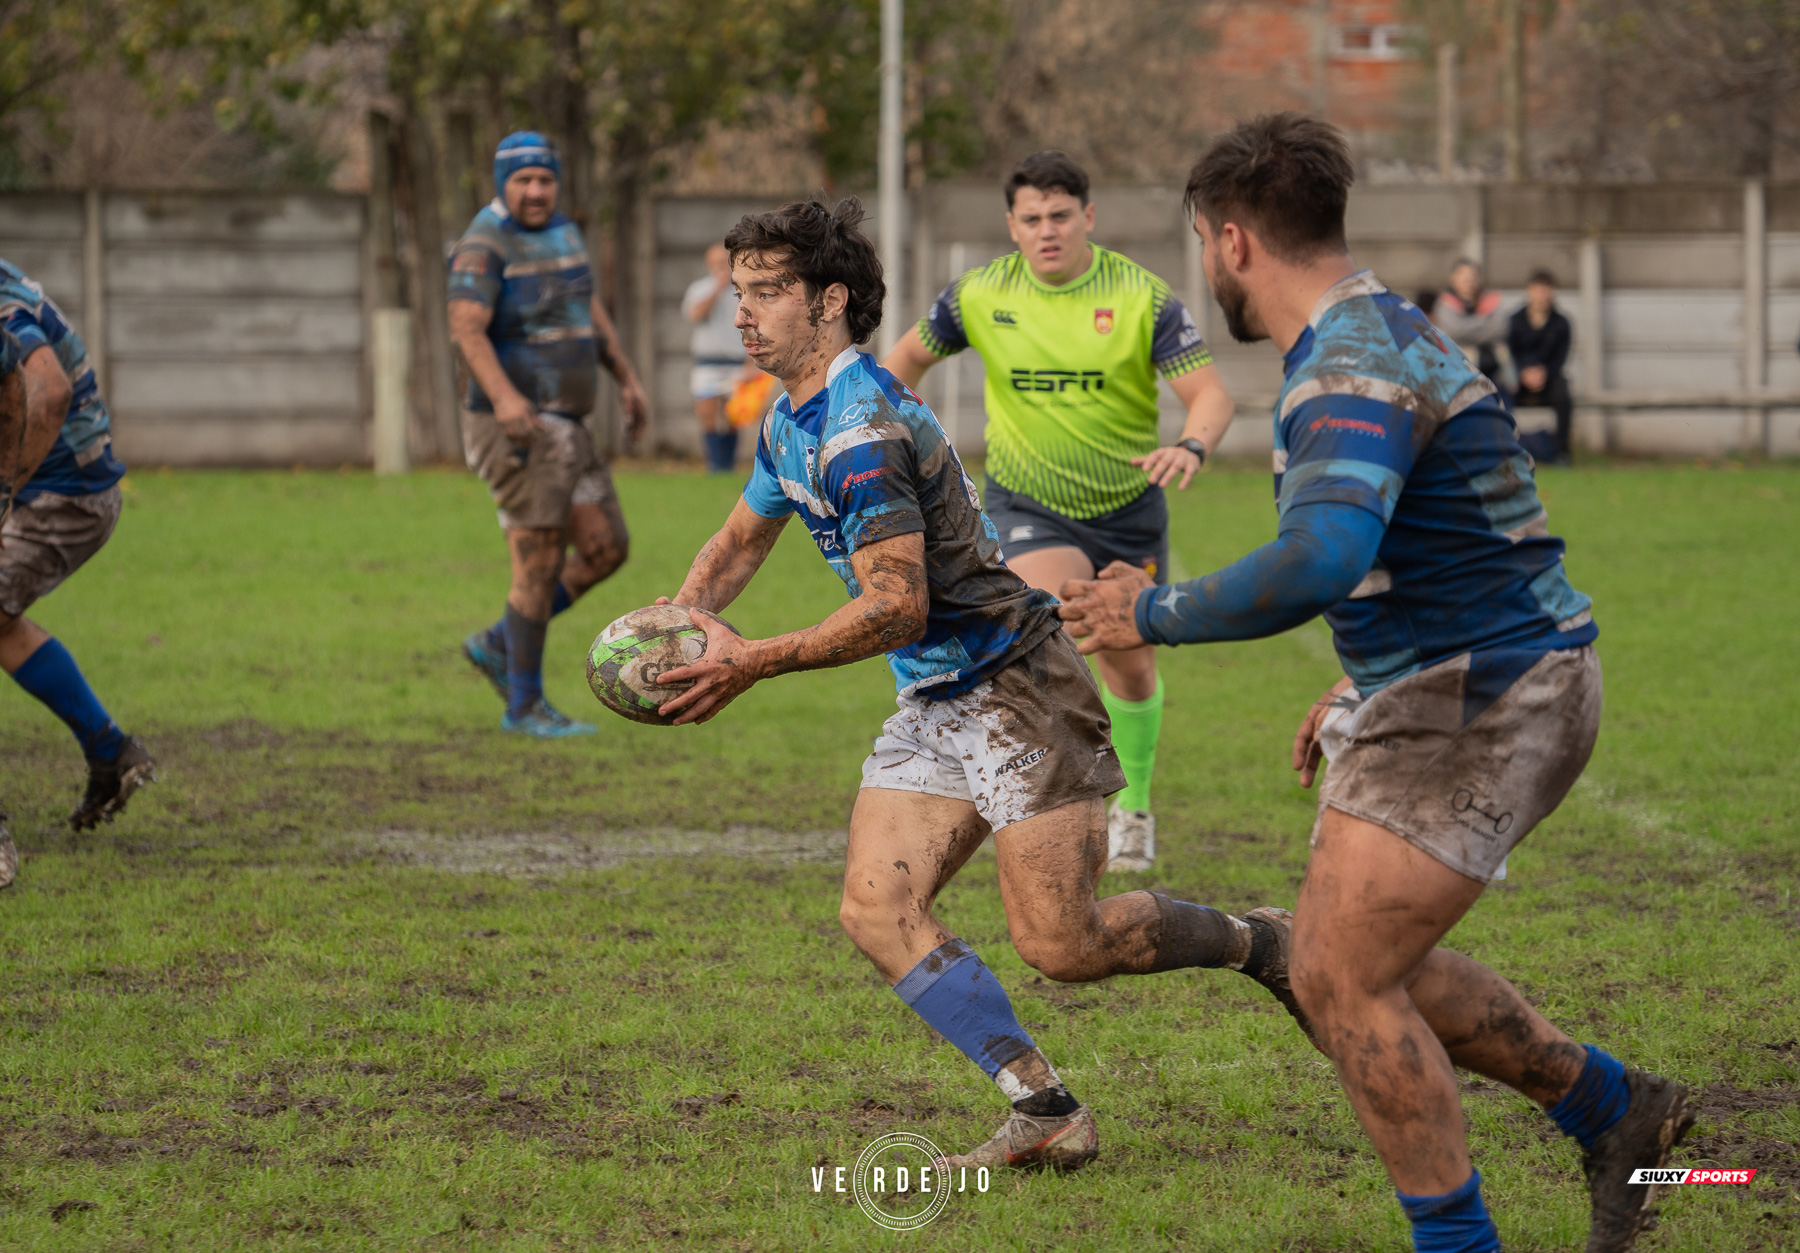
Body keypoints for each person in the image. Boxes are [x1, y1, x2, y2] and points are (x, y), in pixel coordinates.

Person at [1060, 114, 1692, 1253]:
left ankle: (1469, 1235)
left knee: (1338, 976)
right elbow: (1425, 545)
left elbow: (1324, 558)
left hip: (1495, 690)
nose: (1208, 272)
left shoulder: (1346, 363)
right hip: (1468, 676)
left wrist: (1144, 607)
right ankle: (1613, 1108)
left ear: (1234, 239)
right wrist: (1370, 677)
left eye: (1204, 245)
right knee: (1348, 960)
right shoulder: (1370, 333)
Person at [654, 196, 1305, 1172]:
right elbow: (743, 537)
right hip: (936, 698)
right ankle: (1044, 1106)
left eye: (766, 293)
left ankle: (1260, 941)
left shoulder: (860, 431)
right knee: (876, 906)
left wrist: (749, 658)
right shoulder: (790, 419)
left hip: (1019, 689)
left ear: (830, 302)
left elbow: (894, 608)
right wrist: (679, 619)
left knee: (1064, 943)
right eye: (738, 292)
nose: (741, 313)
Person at [884, 152, 1235, 873]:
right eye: (1032, 218)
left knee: (1129, 664)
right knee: (1046, 633)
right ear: (1012, 226)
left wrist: (1192, 445)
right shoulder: (977, 294)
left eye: (1061, 216)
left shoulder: (1142, 297)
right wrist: (898, 437)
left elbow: (1211, 395)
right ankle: (1037, 801)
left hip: (1126, 511)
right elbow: (903, 364)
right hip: (1026, 503)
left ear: (1088, 218)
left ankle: (1134, 804)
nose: (1048, 231)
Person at [449, 132, 651, 738]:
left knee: (605, 548)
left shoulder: (564, 230)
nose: (536, 191)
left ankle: (497, 643)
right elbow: (466, 329)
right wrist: (508, 399)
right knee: (536, 566)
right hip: (519, 428)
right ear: (501, 182)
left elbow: (583, 308)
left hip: (570, 422)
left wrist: (625, 375)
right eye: (523, 180)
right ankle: (524, 706)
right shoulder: (484, 242)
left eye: (545, 179)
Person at [0, 259, 156, 837]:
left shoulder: (5, 305)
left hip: (64, 496)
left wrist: (5, 493)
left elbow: (50, 391)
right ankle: (110, 750)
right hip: (62, 489)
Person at [683, 243, 757, 473]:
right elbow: (695, 315)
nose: (719, 267)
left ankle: (728, 465)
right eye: (714, 263)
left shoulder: (742, 291)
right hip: (708, 363)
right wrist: (717, 287)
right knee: (707, 415)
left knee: (734, 417)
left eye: (723, 262)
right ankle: (714, 465)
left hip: (736, 362)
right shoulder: (700, 288)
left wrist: (750, 363)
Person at [1509, 268, 1575, 465]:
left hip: (1549, 378)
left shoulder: (1562, 323)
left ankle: (1562, 453)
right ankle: (1505, 450)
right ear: (1529, 291)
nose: (1542, 296)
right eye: (1538, 290)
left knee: (1563, 396)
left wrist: (1544, 374)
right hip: (1519, 377)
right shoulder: (1515, 321)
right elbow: (1510, 353)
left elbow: (1561, 358)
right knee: (1500, 393)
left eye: (1546, 291)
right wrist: (1522, 373)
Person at [1433, 258, 1510, 388]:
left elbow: (1501, 329)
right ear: (1453, 279)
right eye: (1464, 277)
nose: (1469, 282)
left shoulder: (1491, 300)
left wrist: (1467, 330)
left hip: (1494, 371)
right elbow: (1455, 331)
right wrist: (1484, 321)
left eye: (1473, 277)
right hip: (1458, 373)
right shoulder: (1444, 304)